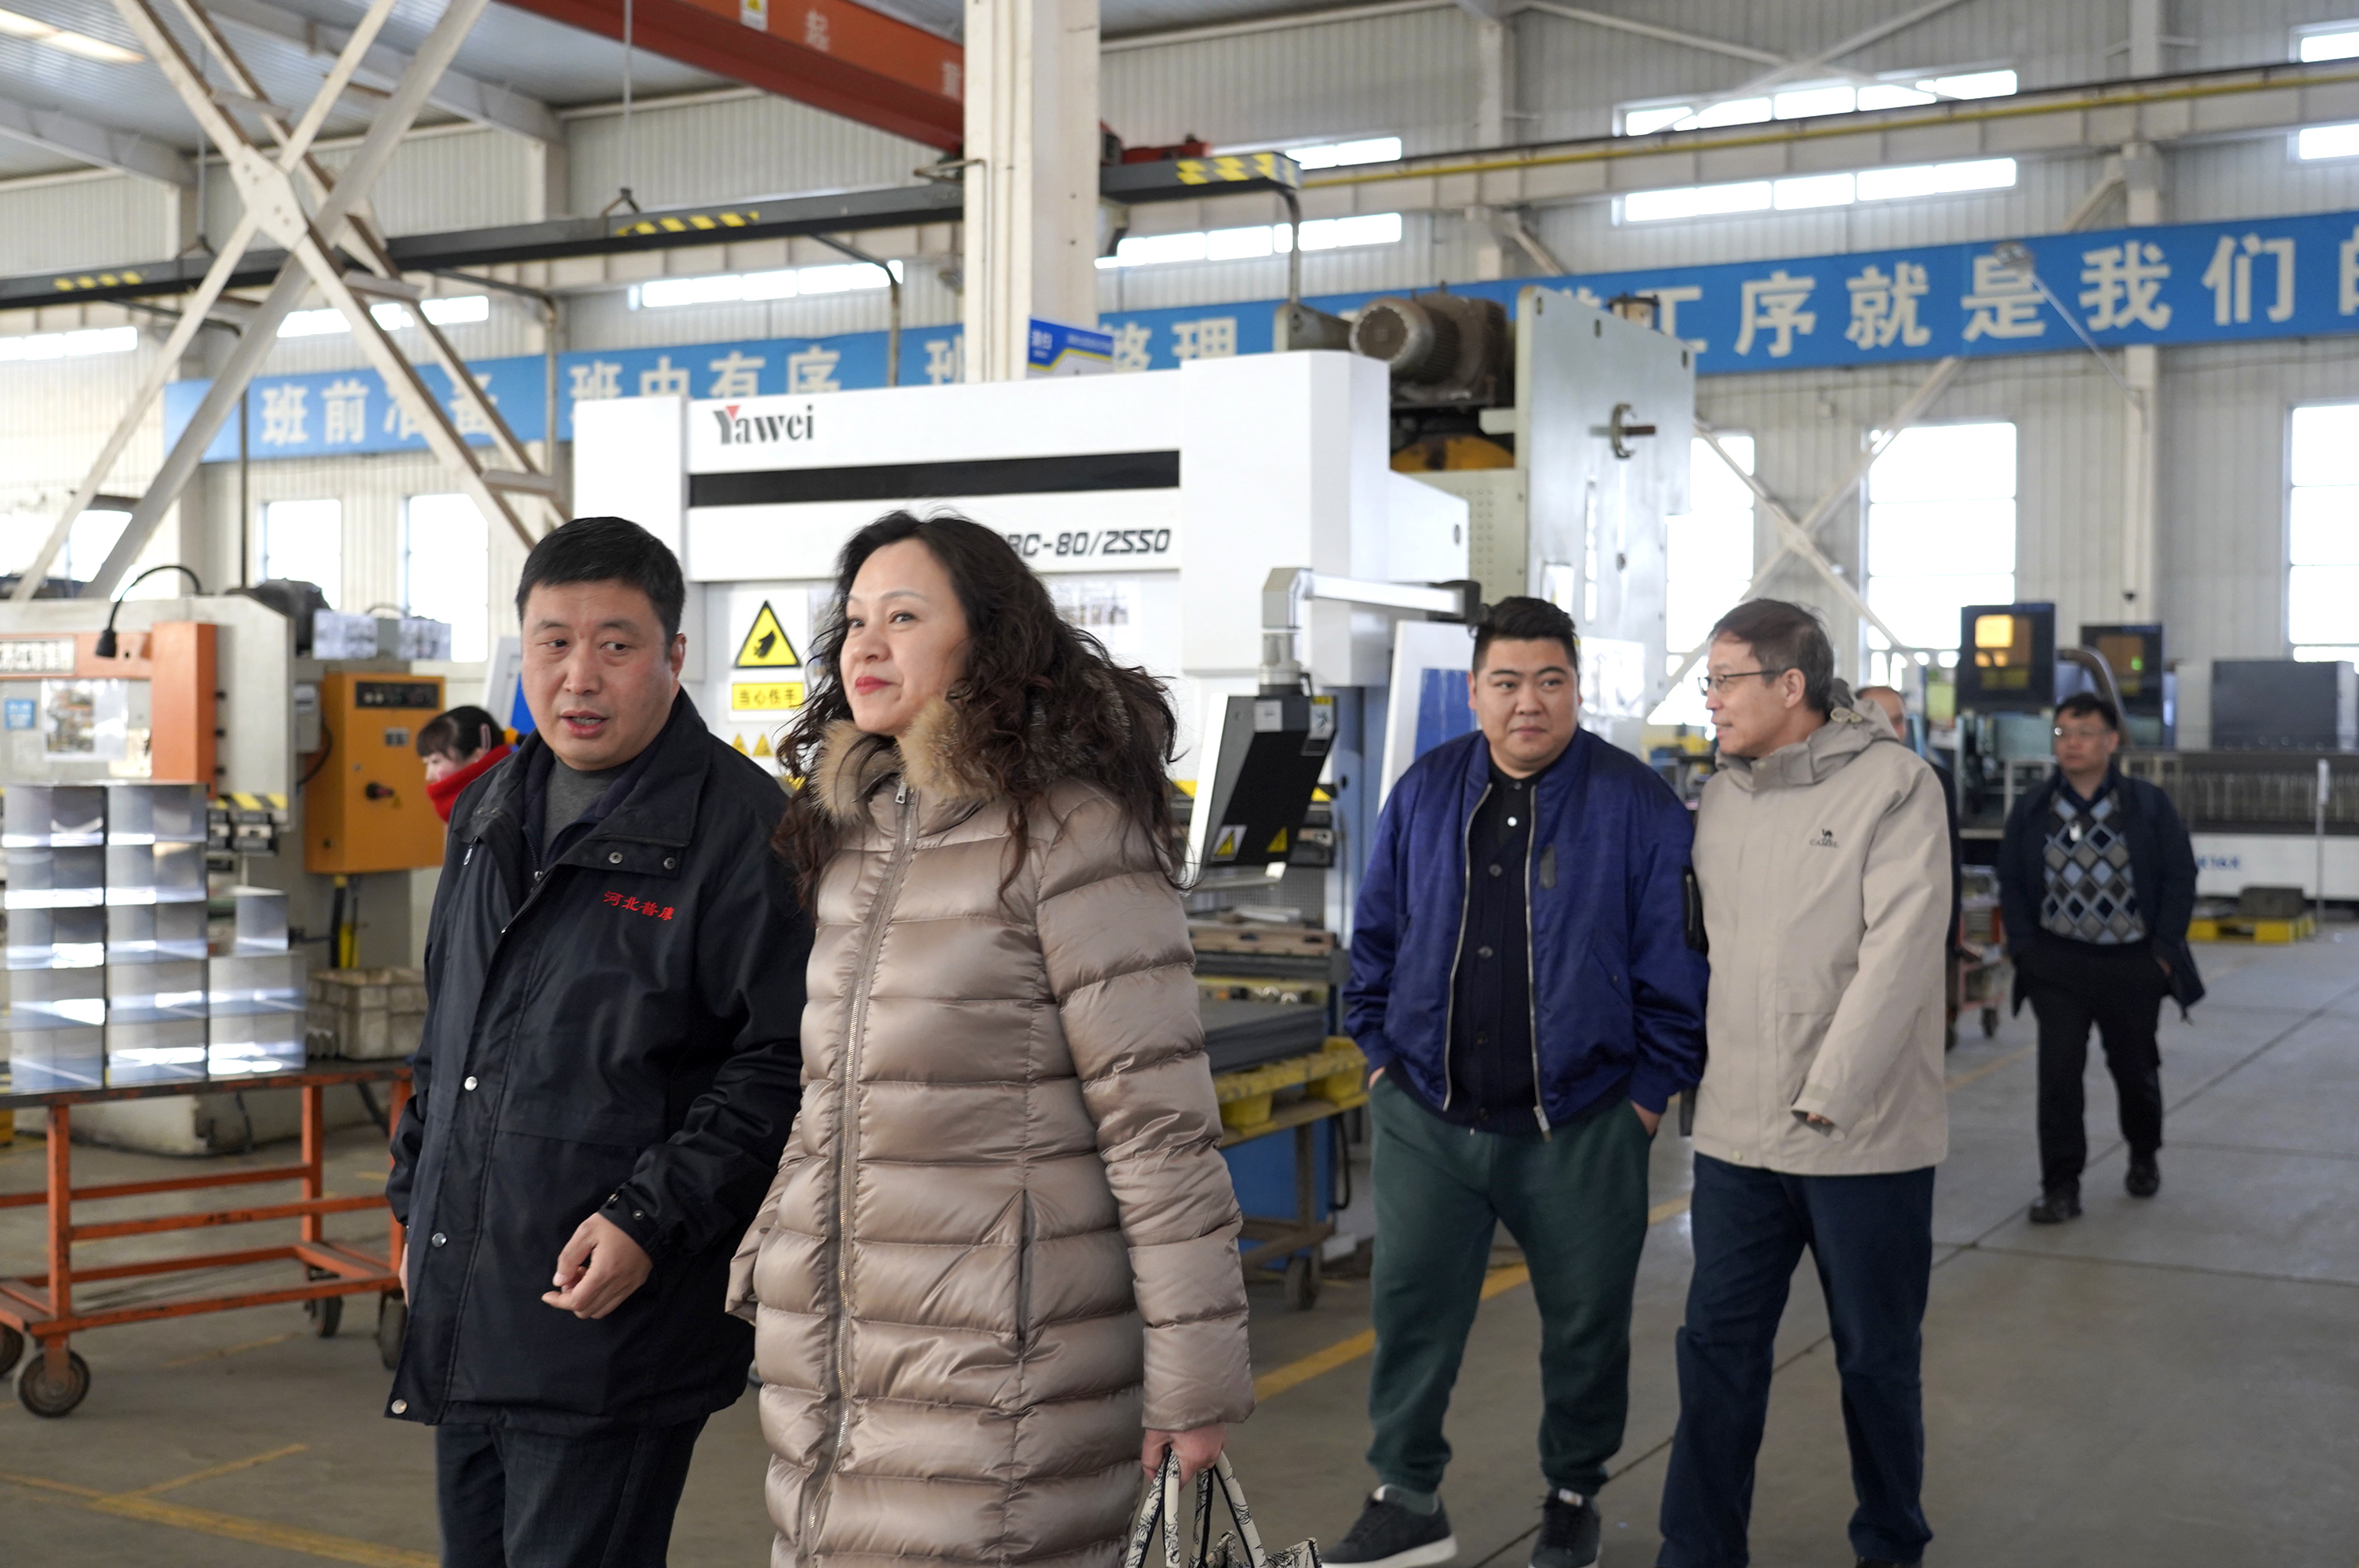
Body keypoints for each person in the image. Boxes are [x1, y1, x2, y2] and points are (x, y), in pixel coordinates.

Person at [733, 512, 1253, 1566]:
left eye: (904, 618)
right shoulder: (858, 832)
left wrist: (1194, 1382)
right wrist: (772, 1244)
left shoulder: (1069, 831)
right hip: (834, 1346)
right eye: (854, 621)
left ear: (989, 640)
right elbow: (834, 1087)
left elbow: (1158, 1128)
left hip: (1001, 1363)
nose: (866, 645)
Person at [386, 516, 810, 1567]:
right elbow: (449, 1031)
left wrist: (647, 1221)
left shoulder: (744, 830)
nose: (579, 675)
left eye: (615, 645)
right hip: (472, 1294)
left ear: (674, 654)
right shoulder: (487, 808)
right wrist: (412, 1201)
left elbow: (781, 1065)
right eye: (553, 642)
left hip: (615, 1316)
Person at [1332, 596, 1708, 1568]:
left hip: (1582, 1120)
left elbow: (1675, 964)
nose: (1527, 702)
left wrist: (1644, 1097)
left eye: (1549, 680)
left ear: (1576, 688)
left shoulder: (1634, 803)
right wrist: (1379, 1056)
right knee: (1409, 1311)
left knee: (1585, 1324)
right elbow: (1375, 934)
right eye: (1505, 682)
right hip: (1427, 1112)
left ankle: (1572, 1492)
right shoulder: (1425, 789)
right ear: (1474, 691)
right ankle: (1404, 1495)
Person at [1662, 600, 1950, 1568]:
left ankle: (1889, 1543)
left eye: (1723, 680)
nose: (1709, 700)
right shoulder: (1722, 796)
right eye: (1706, 681)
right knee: (1715, 1353)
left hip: (1858, 1140)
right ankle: (1695, 1550)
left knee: (1874, 1358)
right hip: (1735, 1139)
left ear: (1789, 685)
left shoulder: (1895, 786)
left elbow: (1898, 955)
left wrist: (1827, 1093)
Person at [1997, 690, 2201, 1224]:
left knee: (2135, 1071)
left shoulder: (2147, 805)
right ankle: (2060, 1187)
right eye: (2062, 733)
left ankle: (2143, 1152)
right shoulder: (2034, 808)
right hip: (2056, 966)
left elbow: (2180, 876)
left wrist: (2163, 952)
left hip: (2131, 965)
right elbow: (2011, 880)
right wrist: (2024, 949)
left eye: (2085, 734)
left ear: (2110, 741)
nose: (2072, 744)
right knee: (2058, 1078)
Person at [1853, 685, 1966, 1046]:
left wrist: (1949, 937)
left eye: (1898, 720)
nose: (1890, 730)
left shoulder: (1932, 780)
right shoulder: (1834, 784)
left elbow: (1949, 865)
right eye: (1877, 719)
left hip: (1915, 935)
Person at [417, 704, 513, 823]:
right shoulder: (475, 815)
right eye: (426, 764)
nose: (429, 776)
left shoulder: (505, 811)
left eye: (435, 761)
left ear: (477, 756)